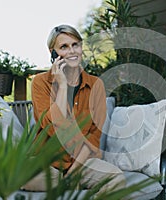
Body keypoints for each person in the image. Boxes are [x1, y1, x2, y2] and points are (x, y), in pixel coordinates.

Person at [23, 24, 125, 193]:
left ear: (81, 47)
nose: (71, 51)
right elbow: (52, 126)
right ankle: (67, 184)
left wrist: (74, 172)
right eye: (64, 47)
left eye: (75, 45)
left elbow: (94, 135)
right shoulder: (41, 82)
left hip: (82, 161)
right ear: (53, 53)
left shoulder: (95, 85)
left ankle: (69, 182)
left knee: (117, 179)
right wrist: (62, 86)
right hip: (48, 162)